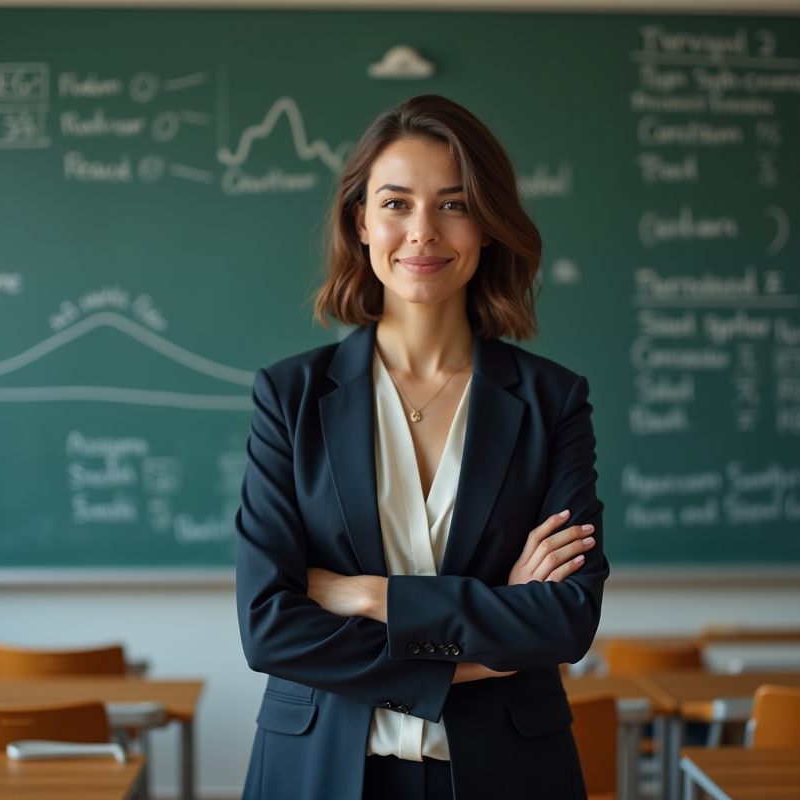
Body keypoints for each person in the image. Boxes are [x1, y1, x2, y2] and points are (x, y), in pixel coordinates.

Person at [236, 95, 607, 800]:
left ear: (489, 225)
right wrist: (488, 645)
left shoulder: (552, 402)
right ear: (361, 221)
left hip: (508, 775)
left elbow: (564, 621)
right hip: (318, 773)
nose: (422, 233)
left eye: (454, 205)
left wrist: (367, 595)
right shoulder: (288, 398)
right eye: (397, 203)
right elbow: (269, 630)